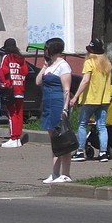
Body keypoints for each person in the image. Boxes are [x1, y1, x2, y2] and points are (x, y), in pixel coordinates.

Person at [67, 37, 112, 162]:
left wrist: (75, 96)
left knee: (82, 124)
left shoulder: (89, 62)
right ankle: (103, 153)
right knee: (102, 126)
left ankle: (80, 151)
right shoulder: (107, 63)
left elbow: (86, 80)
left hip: (90, 99)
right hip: (104, 99)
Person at [37, 37, 73, 183]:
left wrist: (65, 109)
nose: (45, 50)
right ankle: (54, 173)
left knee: (62, 139)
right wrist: (45, 67)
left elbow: (66, 89)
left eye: (46, 48)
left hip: (58, 104)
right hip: (48, 105)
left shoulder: (63, 66)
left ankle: (66, 173)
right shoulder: (51, 65)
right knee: (54, 141)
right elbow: (38, 81)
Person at [0, 38, 28, 147]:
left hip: (10, 89)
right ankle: (18, 139)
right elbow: (25, 72)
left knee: (11, 114)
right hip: (20, 89)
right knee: (19, 114)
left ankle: (13, 138)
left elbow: (3, 71)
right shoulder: (21, 58)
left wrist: (4, 85)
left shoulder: (7, 57)